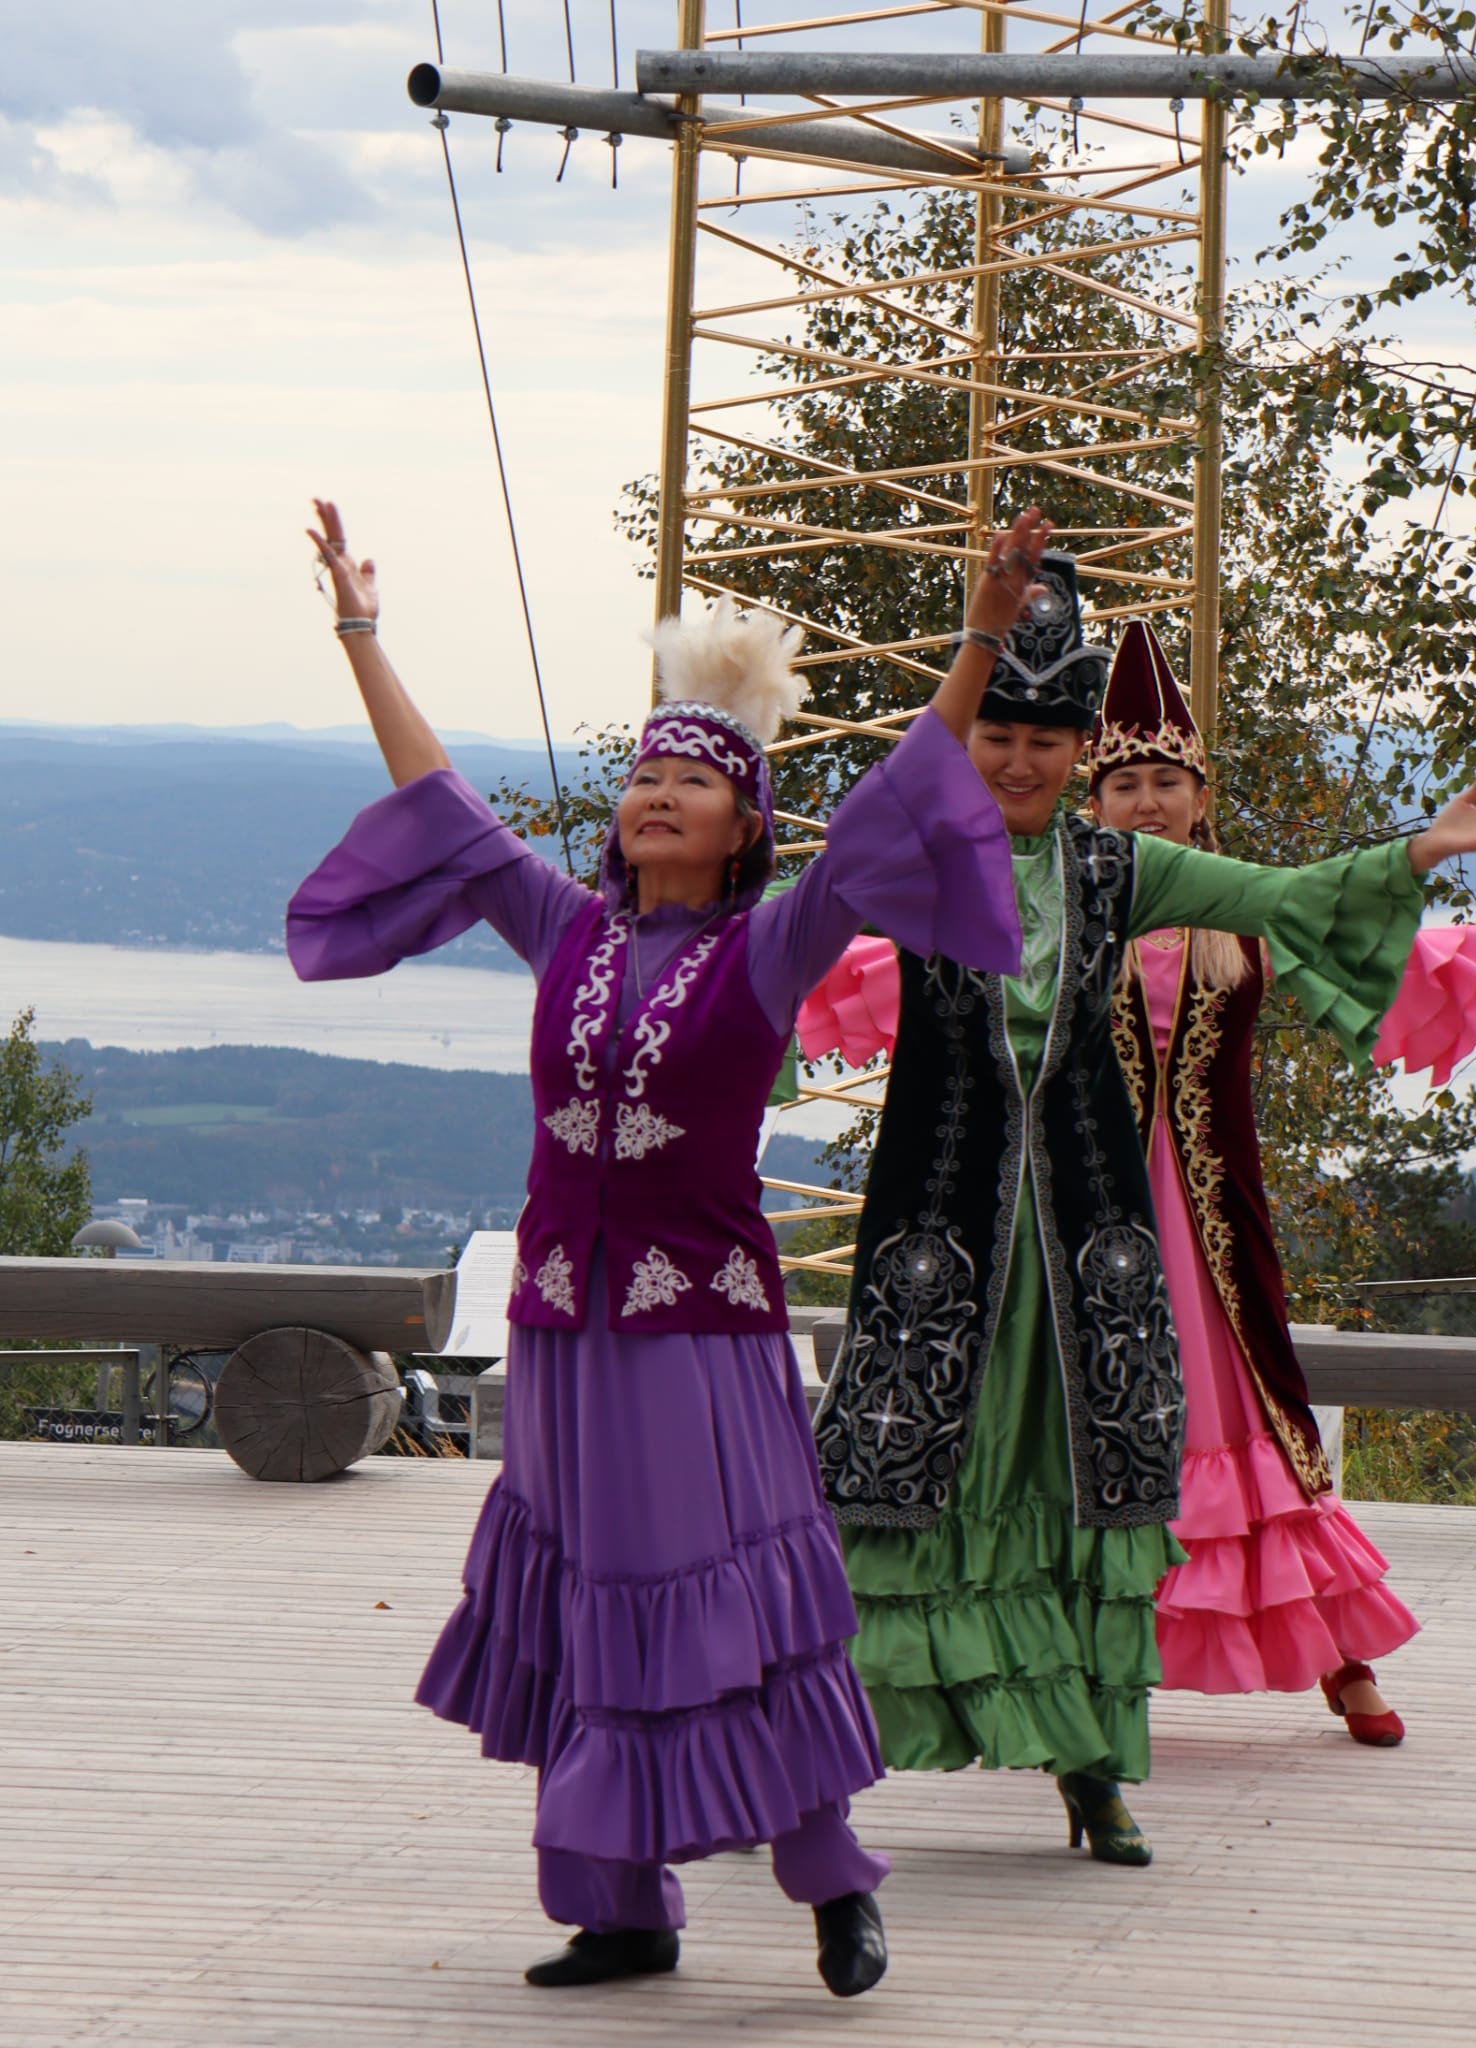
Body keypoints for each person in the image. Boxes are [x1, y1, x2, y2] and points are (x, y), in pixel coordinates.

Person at [286, 499, 1051, 1995]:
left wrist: (975, 639)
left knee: (724, 1598)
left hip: (694, 1338)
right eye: (639, 774)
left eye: (685, 782)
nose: (651, 794)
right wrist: (361, 635)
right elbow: (436, 796)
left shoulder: (767, 947)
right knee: (583, 1597)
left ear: (742, 826)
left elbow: (900, 799)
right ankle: (618, 1904)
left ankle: (830, 1880)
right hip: (566, 1332)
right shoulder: (559, 926)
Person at [801, 556, 1476, 1866]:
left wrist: (1417, 850)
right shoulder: (912, 862)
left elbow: (1278, 903)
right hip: (946, 1243)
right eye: (998, 738)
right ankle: (808, 1763)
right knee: (895, 1488)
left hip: (1097, 1244)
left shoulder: (1115, 873)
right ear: (961, 743)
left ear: (1079, 754)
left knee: (1098, 1502)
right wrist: (973, 639)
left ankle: (1090, 1768)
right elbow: (832, 879)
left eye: (1048, 742)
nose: (1022, 762)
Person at [1086, 620, 1476, 1743]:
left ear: (1198, 797)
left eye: (1164, 781)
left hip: (1208, 1220)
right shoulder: (1056, 914)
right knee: (1092, 1421)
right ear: (1091, 804)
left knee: (1254, 1415)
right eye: (1123, 784)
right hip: (1087, 1220)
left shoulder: (1246, 915)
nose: (1143, 802)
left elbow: (1400, 957)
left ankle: (1339, 1652)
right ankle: (1095, 1663)